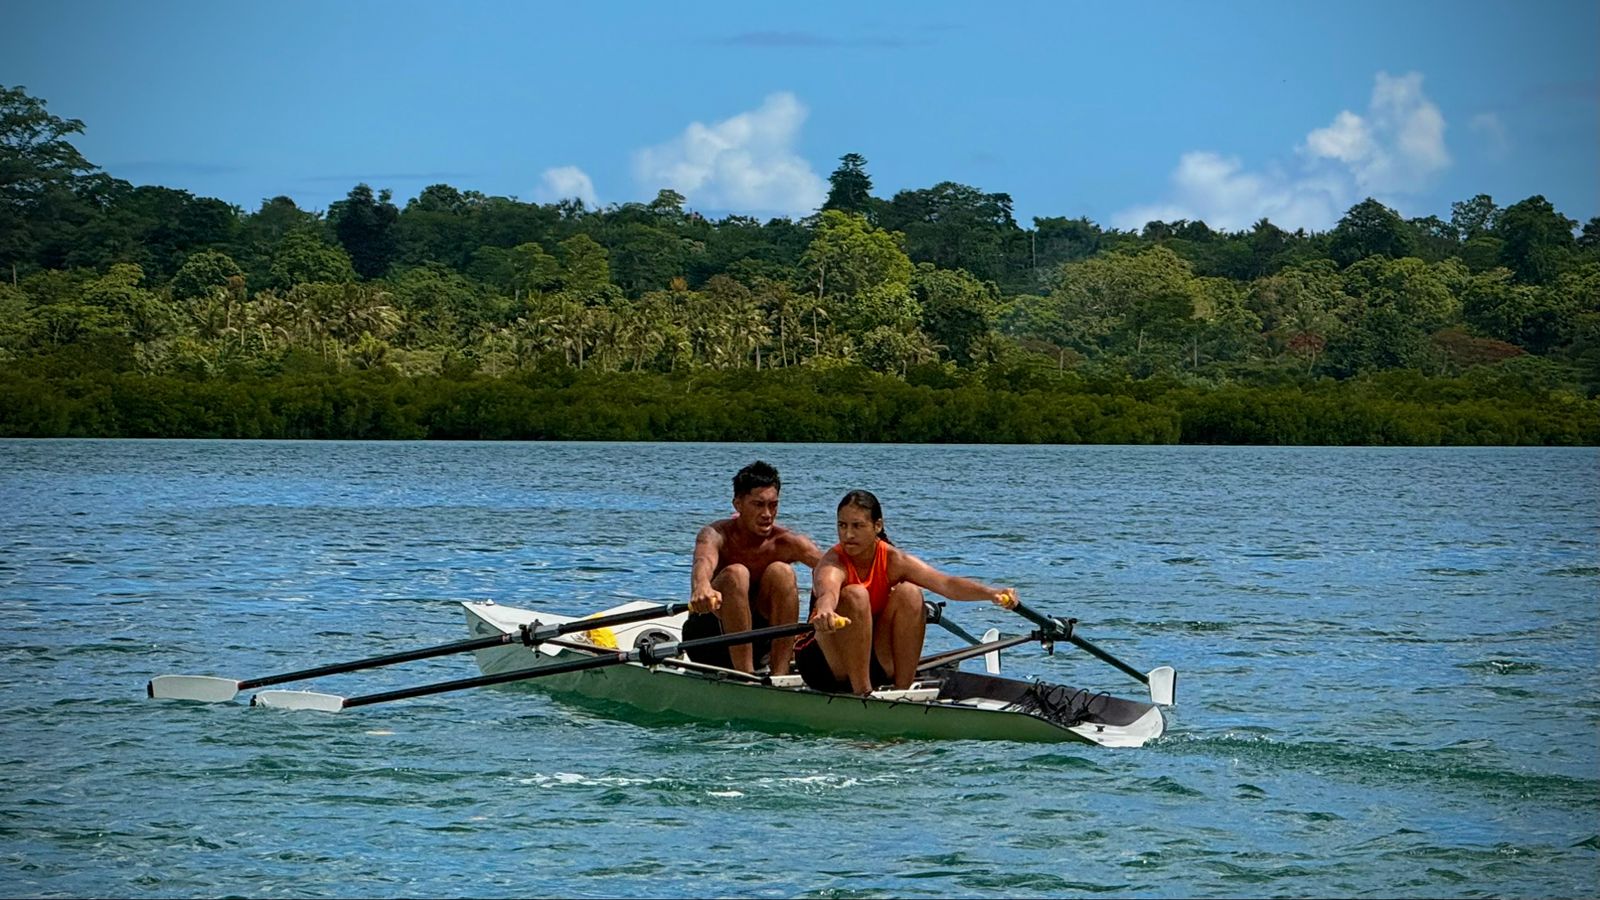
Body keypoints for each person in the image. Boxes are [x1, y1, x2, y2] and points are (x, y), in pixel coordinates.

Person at [799, 489, 1017, 694]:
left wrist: (991, 594)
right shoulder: (833, 563)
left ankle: (902, 692)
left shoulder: (894, 560)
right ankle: (863, 694)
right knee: (856, 594)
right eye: (842, 525)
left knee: (910, 593)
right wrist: (826, 611)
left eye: (857, 526)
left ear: (877, 526)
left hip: (873, 658)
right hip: (825, 666)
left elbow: (946, 584)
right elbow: (828, 593)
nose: (848, 534)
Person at [686, 461, 823, 675]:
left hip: (760, 644)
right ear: (738, 504)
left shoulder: (787, 542)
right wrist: (702, 586)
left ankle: (780, 675)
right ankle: (746, 676)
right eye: (758, 505)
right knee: (737, 573)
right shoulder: (715, 534)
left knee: (783, 572)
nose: (767, 513)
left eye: (773, 505)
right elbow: (703, 562)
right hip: (708, 641)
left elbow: (832, 568)